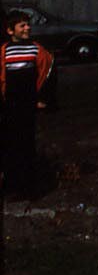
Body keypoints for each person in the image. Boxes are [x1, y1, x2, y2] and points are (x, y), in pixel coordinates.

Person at [2, 10, 55, 198]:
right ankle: (11, 185)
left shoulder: (35, 49)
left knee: (26, 144)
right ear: (10, 30)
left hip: (27, 105)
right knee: (9, 145)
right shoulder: (4, 51)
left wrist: (42, 99)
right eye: (22, 25)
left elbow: (47, 71)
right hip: (8, 105)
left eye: (28, 24)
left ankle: (27, 187)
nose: (27, 28)